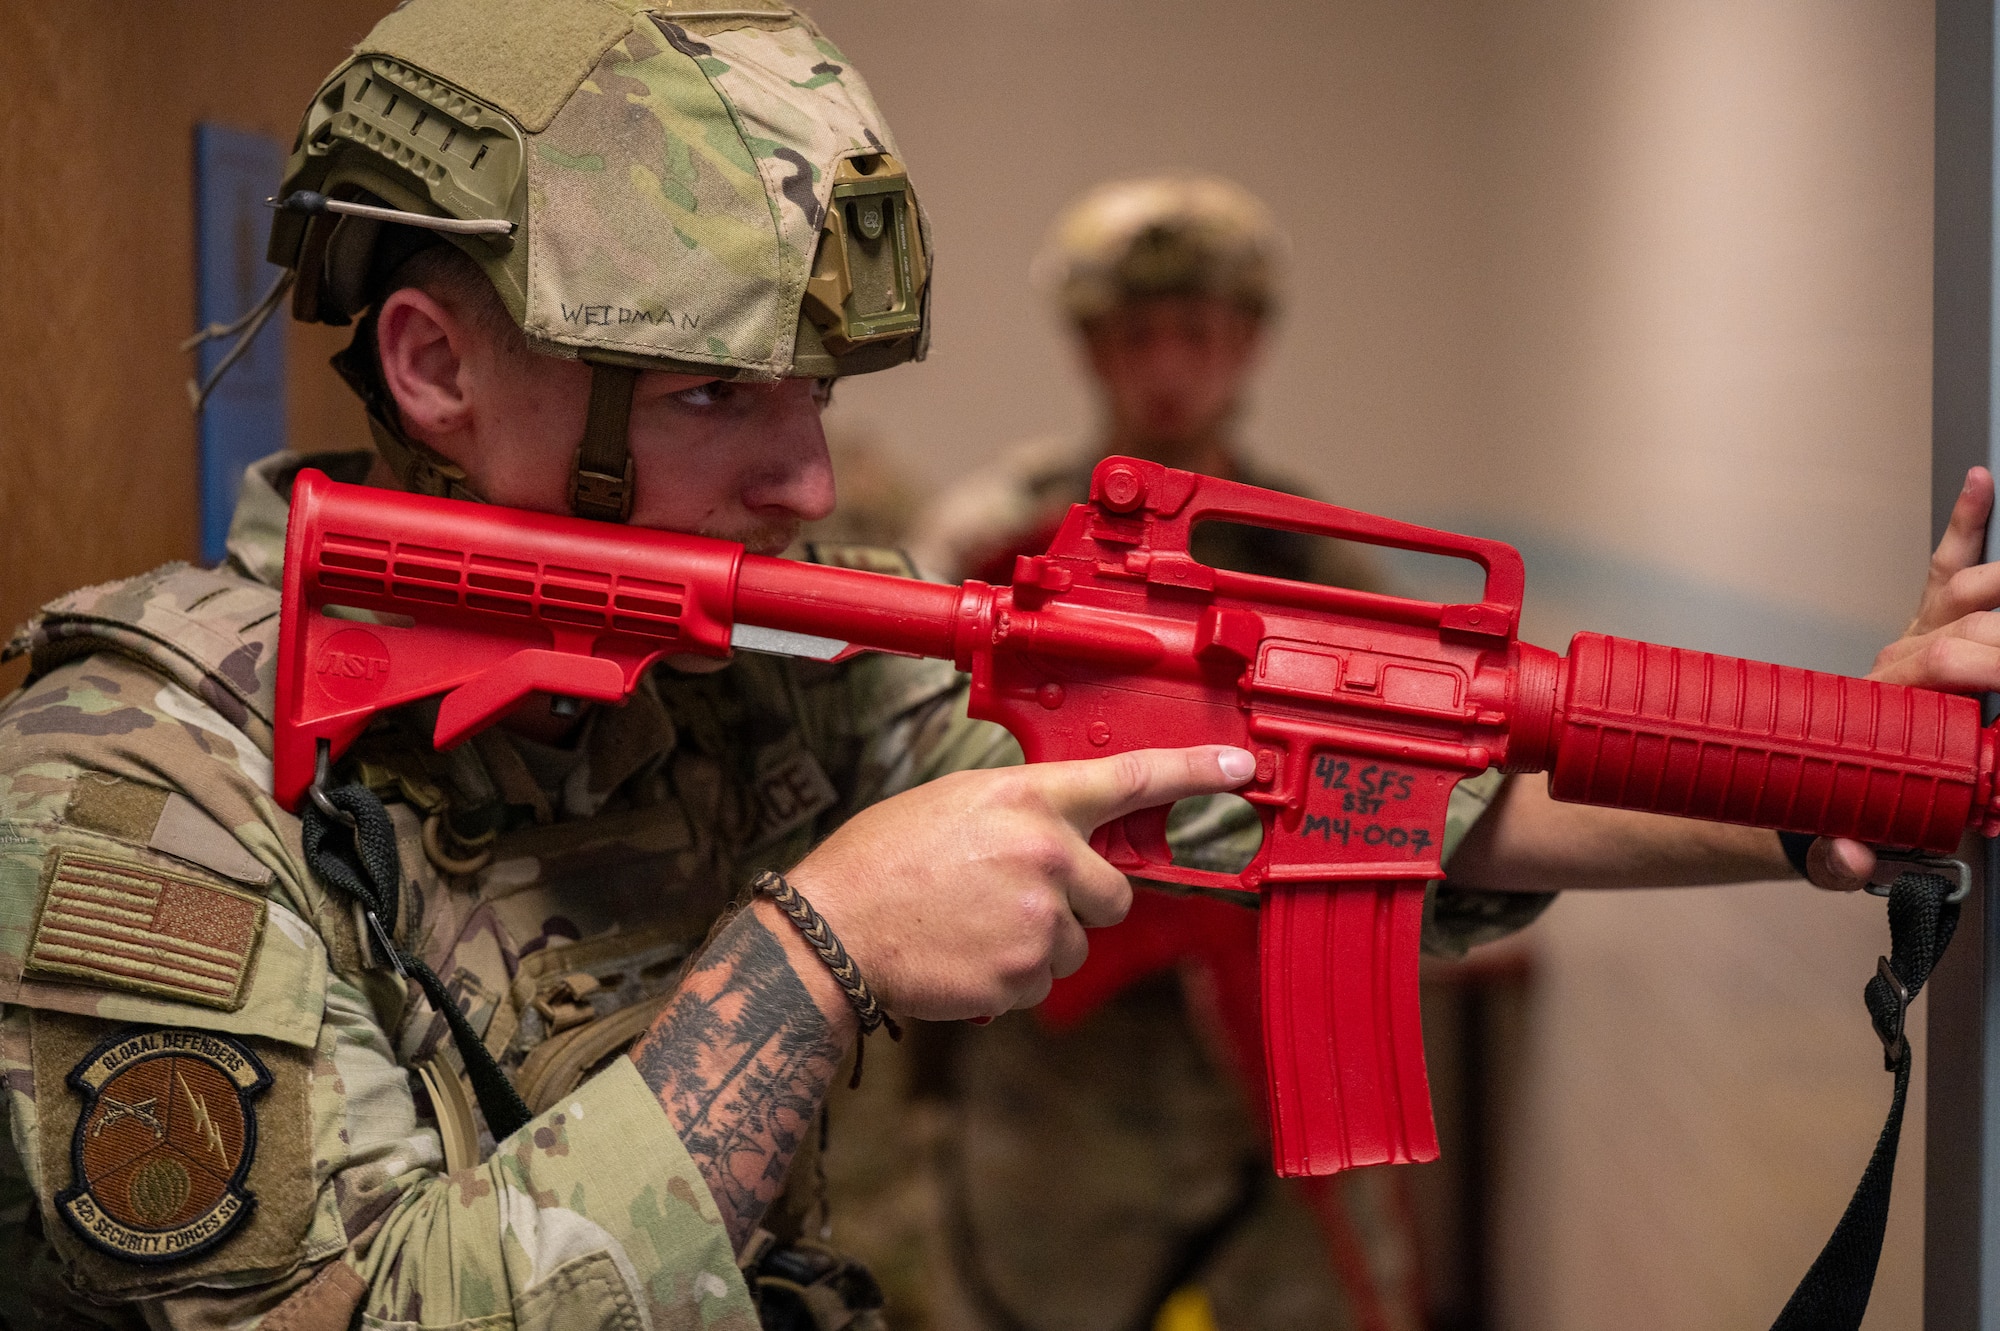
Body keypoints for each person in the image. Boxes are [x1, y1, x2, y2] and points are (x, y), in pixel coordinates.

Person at [0, 6, 1957, 1329]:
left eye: (823, 397)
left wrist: (1827, 775)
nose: (810, 479)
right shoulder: (125, 773)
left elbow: (1330, 785)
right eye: (711, 398)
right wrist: (815, 953)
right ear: (435, 368)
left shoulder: (763, 653)